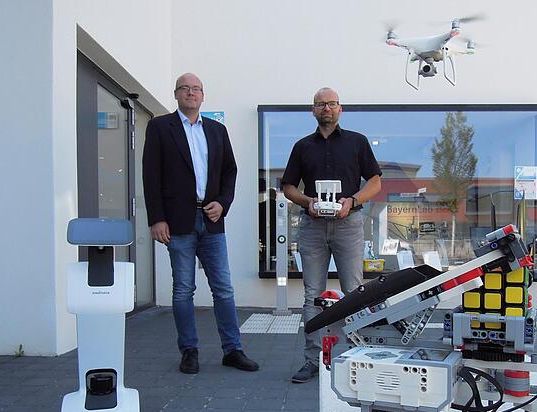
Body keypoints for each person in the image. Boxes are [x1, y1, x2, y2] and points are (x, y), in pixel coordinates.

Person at [142, 72, 259, 374]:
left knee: (223, 288)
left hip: (211, 219)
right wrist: (156, 218)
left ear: (203, 96)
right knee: (183, 289)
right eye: (185, 89)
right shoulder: (159, 128)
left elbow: (230, 171)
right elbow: (150, 176)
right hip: (177, 221)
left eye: (196, 89)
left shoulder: (217, 130)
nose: (191, 93)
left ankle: (233, 350)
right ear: (176, 94)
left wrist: (223, 202)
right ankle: (189, 351)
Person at [281, 87, 382, 383]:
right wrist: (307, 202)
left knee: (353, 291)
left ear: (340, 109)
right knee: (312, 294)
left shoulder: (357, 142)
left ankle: (351, 354)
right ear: (313, 110)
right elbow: (288, 187)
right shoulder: (302, 146)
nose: (327, 108)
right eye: (321, 104)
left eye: (332, 103)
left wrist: (353, 200)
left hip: (348, 223)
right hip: (312, 226)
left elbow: (375, 181)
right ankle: (312, 358)